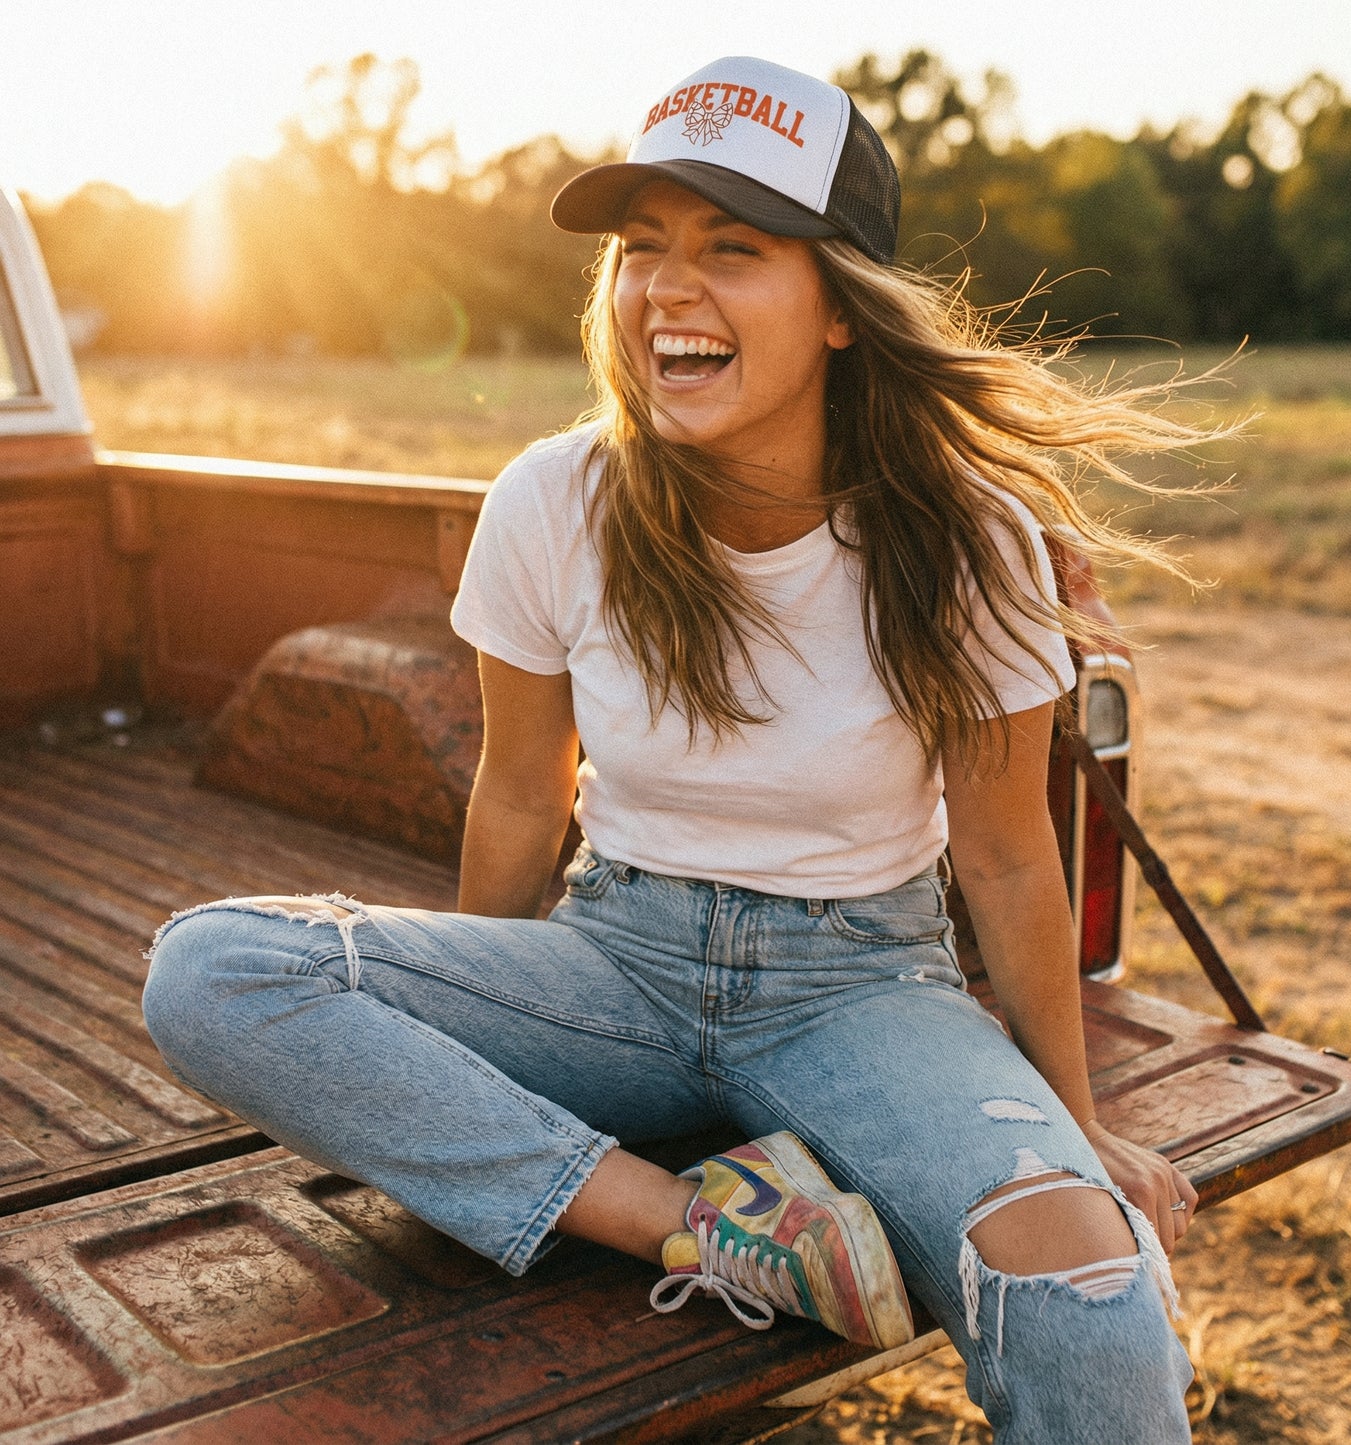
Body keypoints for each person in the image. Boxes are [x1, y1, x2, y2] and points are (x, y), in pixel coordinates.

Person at [143, 56, 1206, 1441]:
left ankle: (707, 1203)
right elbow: (526, 791)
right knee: (212, 967)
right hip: (612, 965)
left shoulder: (966, 539)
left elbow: (1007, 858)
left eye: (732, 249)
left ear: (839, 307)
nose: (666, 289)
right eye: (642, 249)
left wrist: (1078, 1128)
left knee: (1089, 1297)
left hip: (861, 987)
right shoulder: (553, 498)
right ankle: (708, 1227)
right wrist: (475, 1051)